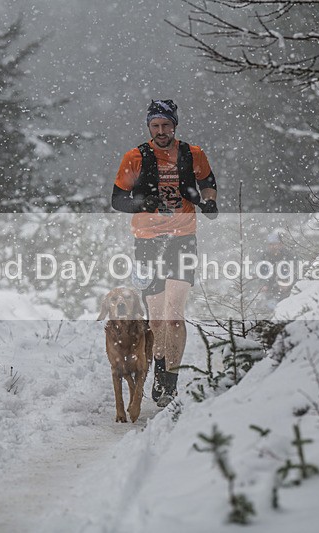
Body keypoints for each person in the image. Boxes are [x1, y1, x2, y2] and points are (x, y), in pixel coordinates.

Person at [111, 99, 218, 408]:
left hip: (183, 239)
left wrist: (208, 201)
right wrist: (139, 203)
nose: (161, 131)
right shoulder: (135, 157)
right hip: (147, 241)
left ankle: (170, 380)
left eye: (166, 125)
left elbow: (208, 183)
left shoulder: (191, 154)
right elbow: (117, 199)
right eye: (155, 126)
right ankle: (160, 367)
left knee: (173, 315)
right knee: (156, 320)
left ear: (175, 126)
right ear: (149, 127)